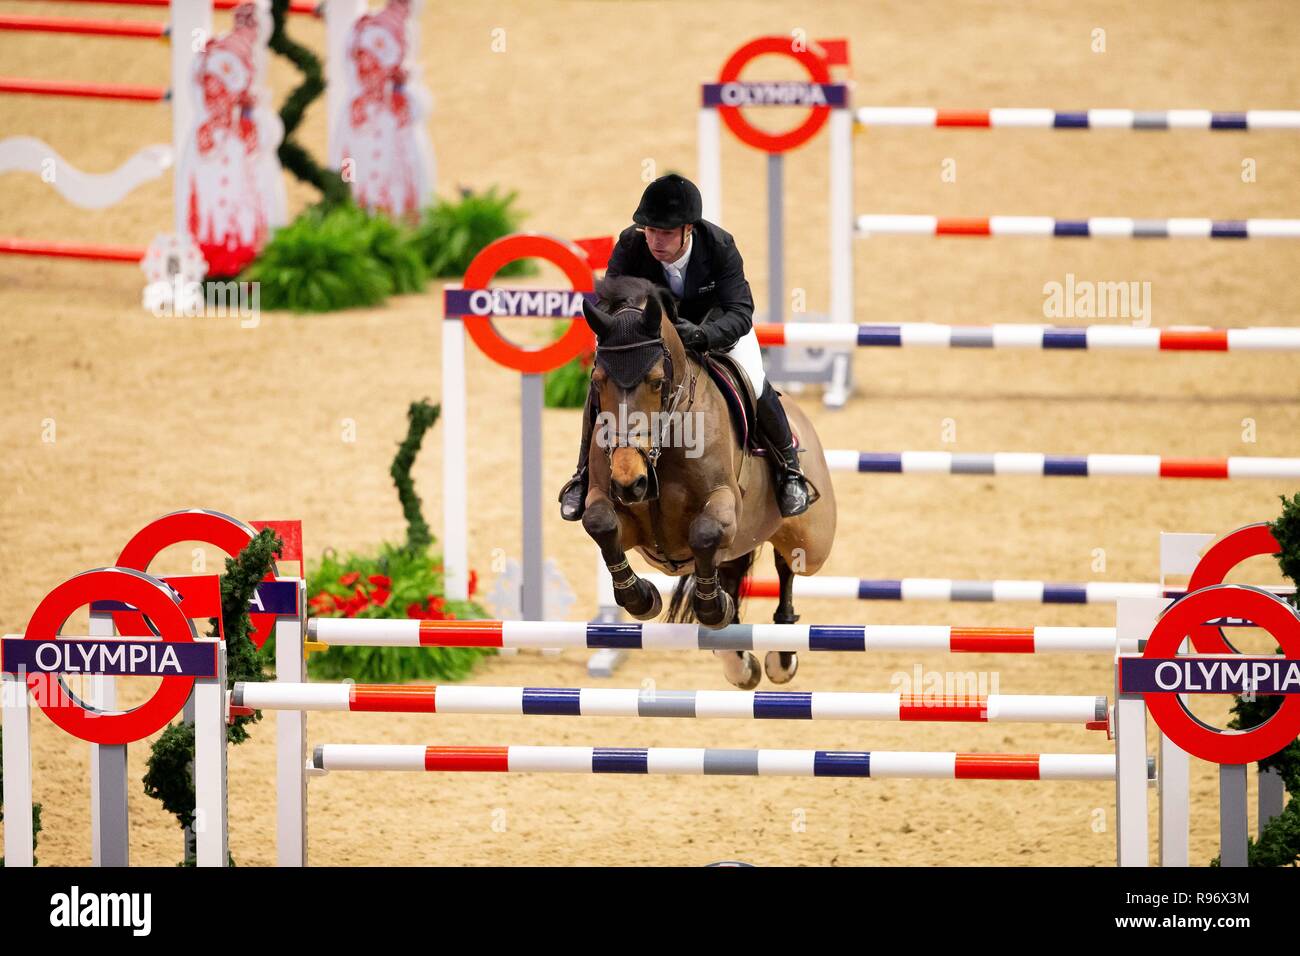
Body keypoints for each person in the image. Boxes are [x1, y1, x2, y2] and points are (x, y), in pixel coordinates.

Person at [558, 173, 812, 521]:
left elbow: (740, 311)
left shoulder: (719, 246)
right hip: (651, 341)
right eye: (650, 230)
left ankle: (789, 470)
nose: (655, 240)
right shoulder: (631, 245)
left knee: (753, 379)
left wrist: (703, 335)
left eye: (665, 232)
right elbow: (607, 302)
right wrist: (624, 332)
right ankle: (582, 476)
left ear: (688, 229)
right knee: (603, 382)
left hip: (714, 331)